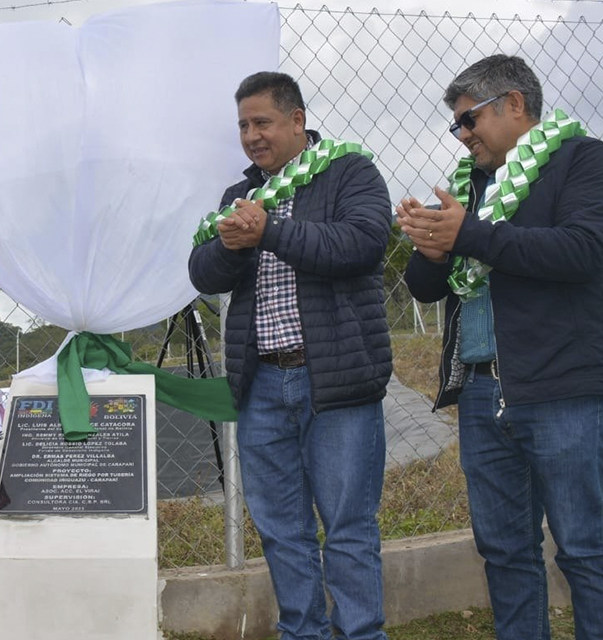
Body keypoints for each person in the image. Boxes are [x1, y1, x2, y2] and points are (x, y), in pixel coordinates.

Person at [398, 54, 603, 640]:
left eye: (468, 120)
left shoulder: (583, 159)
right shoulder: (472, 184)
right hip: (480, 389)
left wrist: (467, 233)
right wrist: (429, 247)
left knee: (583, 547)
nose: (462, 134)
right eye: (457, 126)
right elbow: (428, 287)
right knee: (503, 549)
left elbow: (582, 253)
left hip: (562, 389)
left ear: (515, 104)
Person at [187, 72, 393, 640]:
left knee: (348, 527)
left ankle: (360, 633)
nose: (252, 136)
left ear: (297, 121)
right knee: (280, 528)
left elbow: (362, 243)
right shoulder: (239, 196)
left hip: (337, 381)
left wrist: (270, 230)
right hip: (262, 386)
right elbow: (201, 270)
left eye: (262, 122)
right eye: (243, 126)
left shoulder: (349, 170)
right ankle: (303, 631)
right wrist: (231, 247)